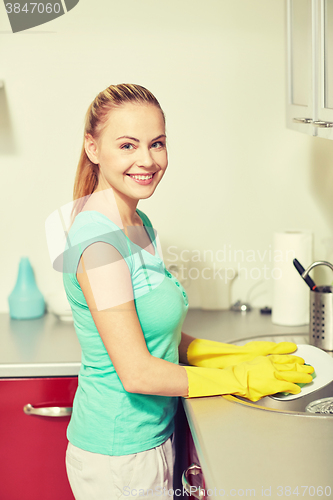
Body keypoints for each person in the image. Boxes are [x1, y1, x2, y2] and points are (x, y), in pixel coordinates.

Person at [61, 83, 314, 500]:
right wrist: (239, 377)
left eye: (157, 144)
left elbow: (158, 338)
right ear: (92, 147)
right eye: (128, 145)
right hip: (119, 455)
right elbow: (137, 372)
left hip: (150, 440)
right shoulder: (99, 243)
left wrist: (235, 354)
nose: (147, 160)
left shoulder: (138, 224)